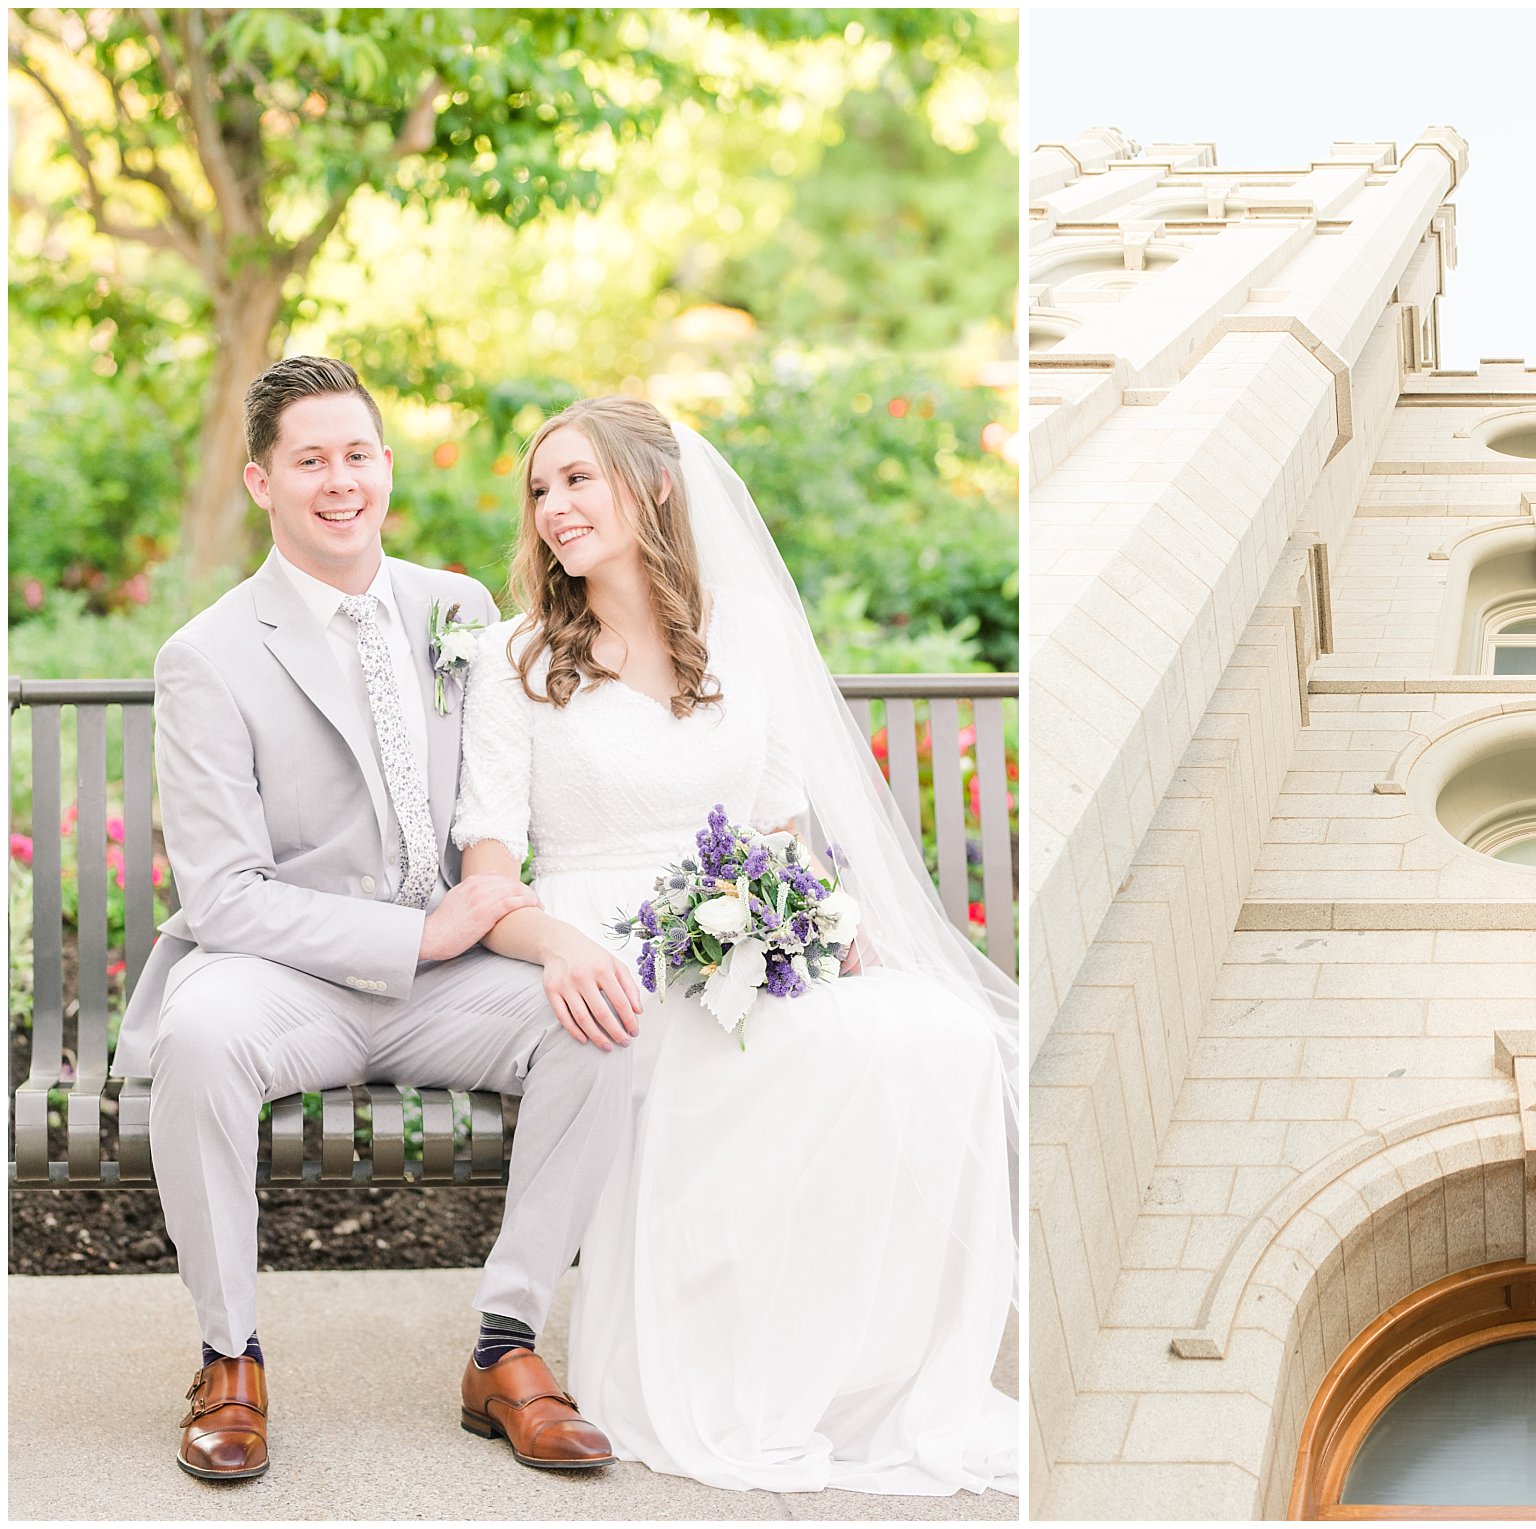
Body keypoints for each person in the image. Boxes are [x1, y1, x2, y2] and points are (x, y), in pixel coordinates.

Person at [449, 396, 1020, 1494]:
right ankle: (731, 1361)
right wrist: (560, 945)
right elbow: (488, 878)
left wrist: (813, 925)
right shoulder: (513, 657)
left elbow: (776, 835)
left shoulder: (737, 639)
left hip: (735, 936)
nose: (554, 508)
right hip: (600, 951)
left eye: (579, 479)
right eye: (539, 488)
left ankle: (856, 1372)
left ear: (655, 486)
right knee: (751, 1061)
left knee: (938, 1034)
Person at [118, 356, 634, 1482]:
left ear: (387, 466)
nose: (339, 480)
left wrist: (511, 930)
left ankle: (505, 1347)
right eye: (310, 460)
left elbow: (497, 804)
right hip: (284, 977)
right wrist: (415, 938)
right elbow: (223, 894)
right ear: (262, 481)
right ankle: (228, 1356)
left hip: (451, 982)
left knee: (594, 1021)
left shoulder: (458, 609)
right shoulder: (205, 654)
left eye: (357, 454)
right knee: (198, 1039)